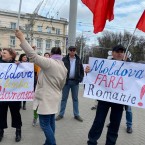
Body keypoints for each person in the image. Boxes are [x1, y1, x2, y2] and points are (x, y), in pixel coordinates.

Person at [15, 29, 67, 145]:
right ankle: (48, 143)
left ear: (52, 55)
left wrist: (22, 39)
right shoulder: (63, 66)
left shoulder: (50, 63)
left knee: (44, 124)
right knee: (51, 122)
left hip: (45, 99)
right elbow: (62, 84)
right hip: (54, 97)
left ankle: (52, 143)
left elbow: (33, 55)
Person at [87, 45, 126, 145]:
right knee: (98, 121)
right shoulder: (103, 64)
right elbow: (93, 74)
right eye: (117, 51)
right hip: (104, 98)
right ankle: (92, 140)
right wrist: (88, 71)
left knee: (115, 124)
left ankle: (110, 142)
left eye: (121, 51)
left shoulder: (129, 66)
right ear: (112, 53)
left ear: (124, 54)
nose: (119, 53)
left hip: (119, 100)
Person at [55, 46, 84, 122]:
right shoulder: (64, 59)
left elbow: (82, 70)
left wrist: (80, 79)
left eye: (74, 50)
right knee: (64, 98)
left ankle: (76, 114)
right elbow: (60, 69)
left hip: (75, 82)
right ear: (68, 51)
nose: (72, 52)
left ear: (75, 51)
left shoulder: (78, 60)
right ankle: (61, 114)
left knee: (75, 99)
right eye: (71, 50)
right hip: (66, 82)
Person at [0, 48, 22, 142]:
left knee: (16, 114)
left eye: (5, 53)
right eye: (2, 52)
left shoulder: (17, 64)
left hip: (14, 95)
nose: (2, 54)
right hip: (2, 95)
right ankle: (1, 131)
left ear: (11, 55)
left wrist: (19, 66)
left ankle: (18, 131)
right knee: (1, 114)